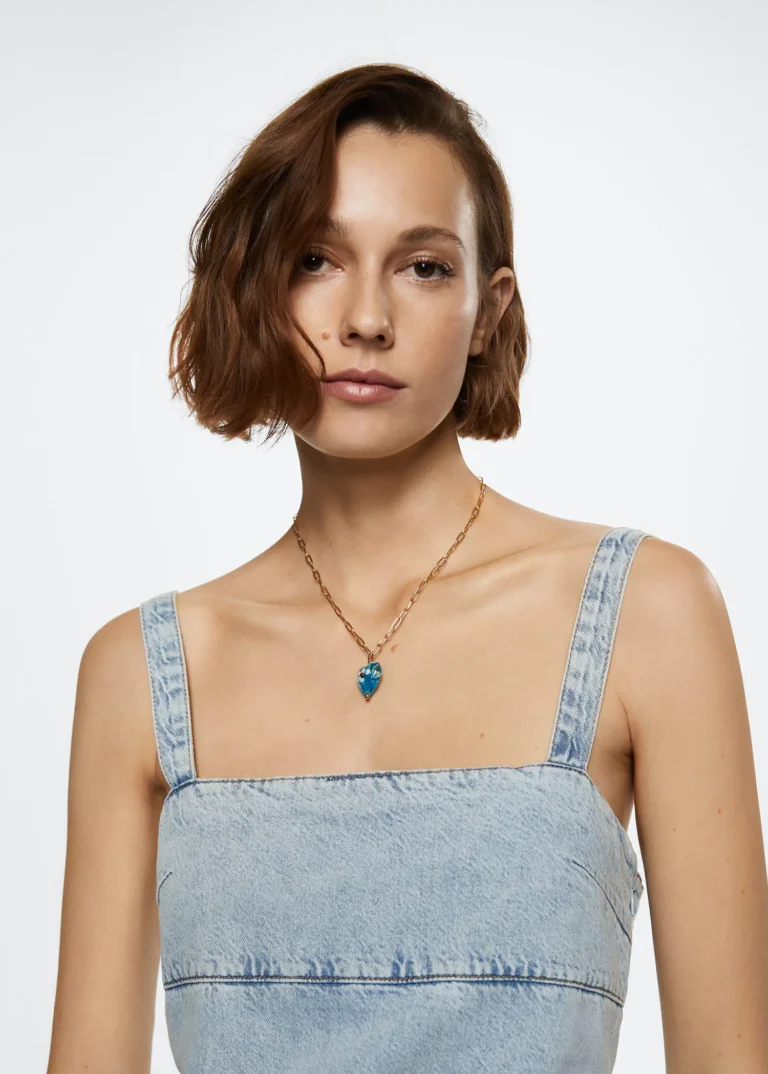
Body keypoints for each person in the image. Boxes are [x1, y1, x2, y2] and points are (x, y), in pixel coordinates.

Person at [46, 63, 768, 1073]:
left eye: (423, 266)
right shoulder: (139, 671)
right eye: (315, 259)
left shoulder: (651, 614)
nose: (366, 318)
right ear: (257, 290)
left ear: (488, 310)